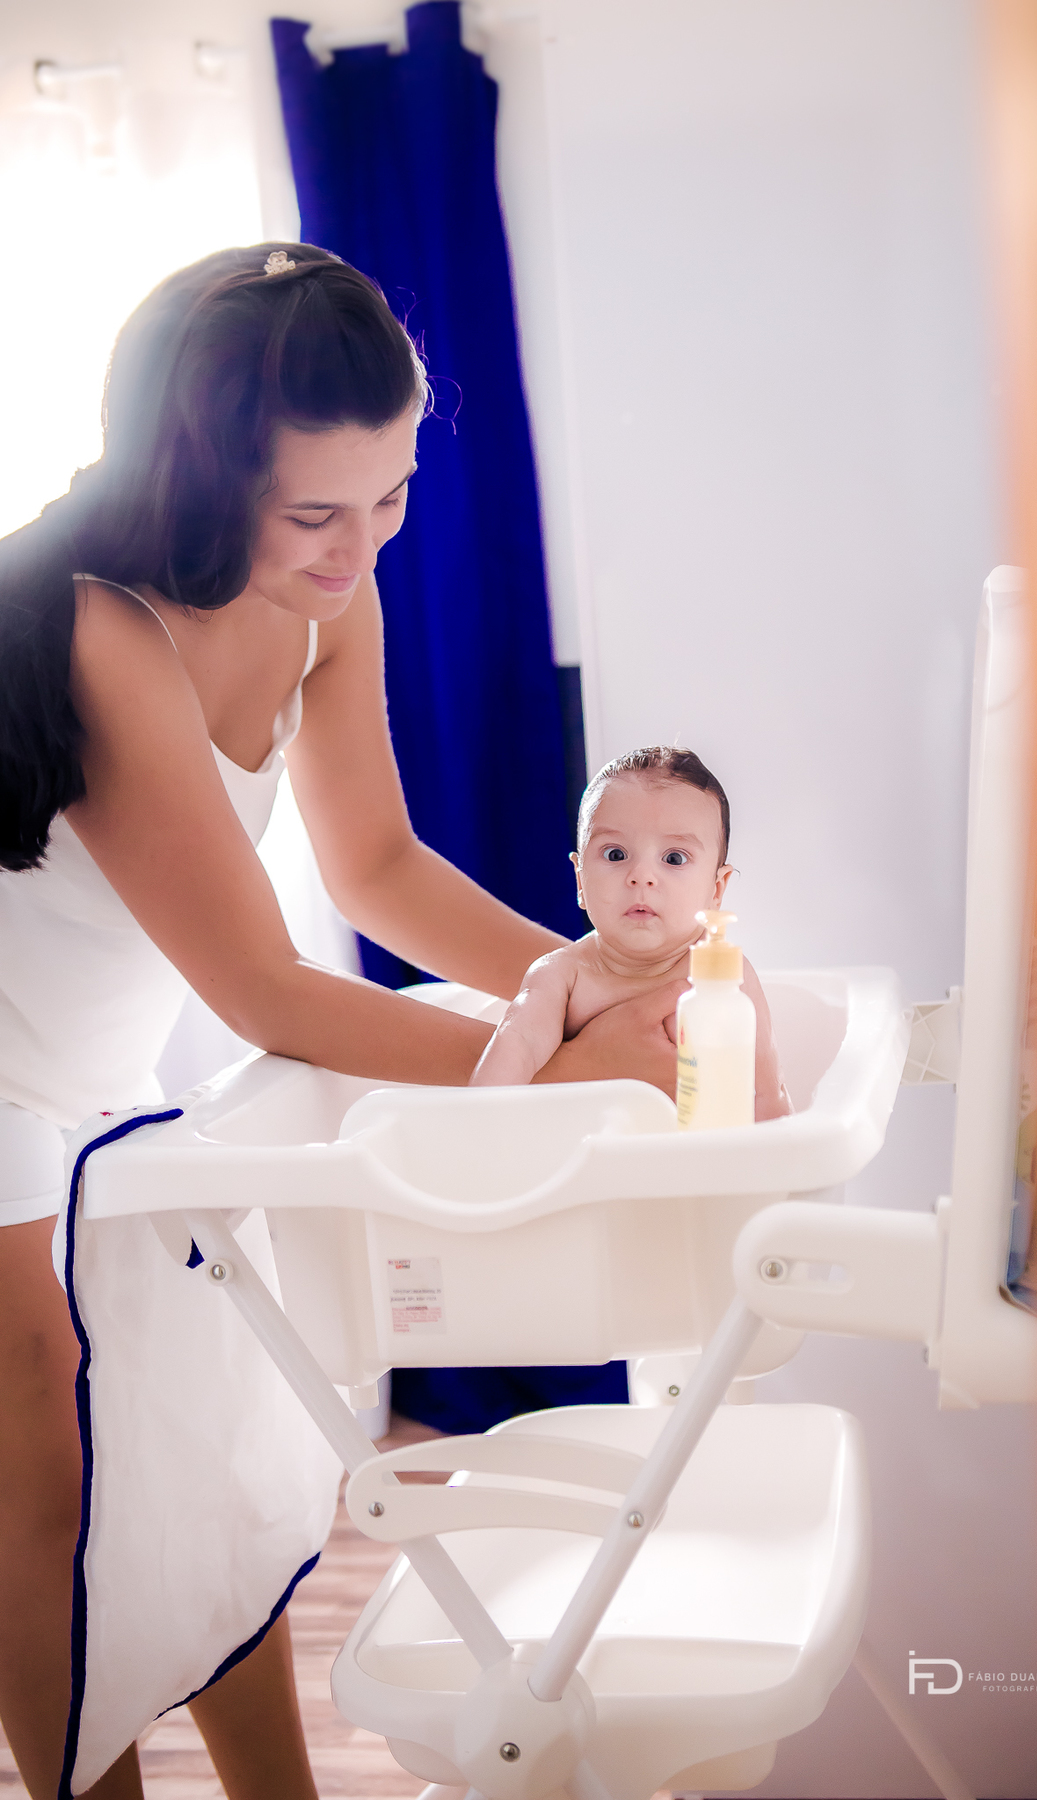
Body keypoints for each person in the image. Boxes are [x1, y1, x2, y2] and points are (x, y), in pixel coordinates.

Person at [0, 244, 683, 1799]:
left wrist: (606, 978)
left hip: (83, 1076)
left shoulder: (328, 597)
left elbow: (376, 868)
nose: (363, 543)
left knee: (190, 1451)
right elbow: (263, 990)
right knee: (46, 1465)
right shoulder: (101, 630)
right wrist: (546, 1065)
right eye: (317, 512)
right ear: (197, 473)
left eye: (391, 494)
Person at [471, 746, 791, 1119]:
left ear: (716, 889)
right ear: (580, 881)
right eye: (615, 854)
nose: (641, 876)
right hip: (585, 1153)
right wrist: (477, 1121)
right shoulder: (561, 976)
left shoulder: (726, 985)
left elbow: (768, 1095)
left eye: (674, 858)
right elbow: (518, 1043)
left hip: (698, 1154)